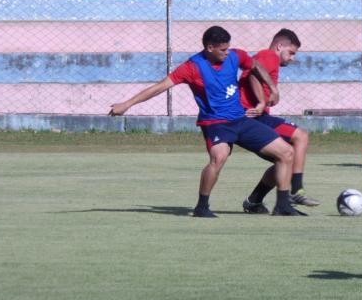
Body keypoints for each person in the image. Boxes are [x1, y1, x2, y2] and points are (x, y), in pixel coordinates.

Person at [109, 25, 302, 218]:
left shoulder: (236, 56)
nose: (228, 53)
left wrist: (272, 89)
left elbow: (255, 66)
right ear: (210, 48)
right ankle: (202, 206)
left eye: (228, 48)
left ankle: (282, 205)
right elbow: (159, 87)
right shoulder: (191, 67)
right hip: (215, 123)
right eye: (223, 50)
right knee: (219, 158)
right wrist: (127, 104)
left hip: (240, 119)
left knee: (286, 152)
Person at [239, 28, 320, 213]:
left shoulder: (269, 59)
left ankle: (254, 201)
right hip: (253, 117)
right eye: (291, 52)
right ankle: (296, 190)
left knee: (285, 158)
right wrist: (261, 101)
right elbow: (253, 73)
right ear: (279, 46)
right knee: (300, 136)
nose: (292, 58)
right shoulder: (269, 55)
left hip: (256, 116)